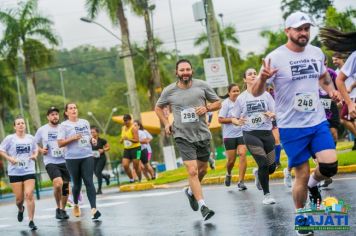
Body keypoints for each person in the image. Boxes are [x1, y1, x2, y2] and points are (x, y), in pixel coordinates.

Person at [252, 12, 341, 235]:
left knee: (330, 166)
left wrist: (332, 92)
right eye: (299, 29)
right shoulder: (275, 57)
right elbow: (255, 92)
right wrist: (262, 78)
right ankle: (301, 217)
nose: (303, 33)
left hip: (317, 120)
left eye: (306, 29)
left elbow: (323, 77)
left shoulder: (316, 52)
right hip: (291, 126)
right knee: (301, 173)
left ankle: (313, 184)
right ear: (287, 31)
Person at [155, 59, 221, 221]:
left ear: (192, 71)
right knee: (192, 170)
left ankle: (191, 191)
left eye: (188, 70)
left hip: (202, 134)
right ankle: (204, 206)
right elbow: (158, 107)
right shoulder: (169, 90)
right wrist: (166, 124)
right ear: (176, 73)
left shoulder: (202, 86)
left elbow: (218, 102)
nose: (185, 72)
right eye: (182, 70)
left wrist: (206, 108)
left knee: (203, 170)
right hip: (182, 135)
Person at [232, 69, 276, 204]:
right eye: (249, 74)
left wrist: (271, 114)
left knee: (271, 167)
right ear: (245, 80)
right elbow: (233, 117)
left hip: (267, 133)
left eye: (254, 73)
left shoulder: (266, 95)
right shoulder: (241, 98)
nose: (252, 75)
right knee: (263, 163)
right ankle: (267, 195)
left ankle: (258, 173)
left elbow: (275, 112)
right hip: (250, 134)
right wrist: (238, 121)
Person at [58, 103, 101, 221]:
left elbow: (88, 136)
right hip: (72, 158)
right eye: (70, 108)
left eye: (75, 108)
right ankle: (76, 204)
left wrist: (92, 140)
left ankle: (94, 209)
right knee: (77, 184)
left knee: (89, 181)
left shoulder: (85, 122)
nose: (73, 110)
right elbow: (60, 143)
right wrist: (72, 138)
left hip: (87, 155)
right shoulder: (63, 126)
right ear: (66, 112)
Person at [0, 116, 38, 230]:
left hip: (29, 169)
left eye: (22, 123)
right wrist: (9, 158)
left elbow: (36, 149)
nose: (21, 125)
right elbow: (1, 150)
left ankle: (31, 221)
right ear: (14, 126)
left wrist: (35, 155)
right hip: (15, 171)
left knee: (29, 194)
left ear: (25, 125)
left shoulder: (31, 138)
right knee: (19, 200)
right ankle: (21, 209)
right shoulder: (10, 138)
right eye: (18, 123)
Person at [34, 107, 70, 220]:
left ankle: (63, 209)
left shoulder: (64, 127)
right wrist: (40, 150)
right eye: (52, 114)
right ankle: (58, 207)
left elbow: (69, 140)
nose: (55, 116)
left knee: (66, 186)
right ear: (48, 117)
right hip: (50, 161)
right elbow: (33, 143)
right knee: (58, 183)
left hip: (64, 160)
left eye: (56, 114)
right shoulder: (42, 129)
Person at [218, 83, 248, 190]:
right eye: (234, 91)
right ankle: (229, 173)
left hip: (241, 133)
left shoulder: (242, 102)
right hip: (229, 136)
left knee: (243, 154)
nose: (236, 93)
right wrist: (232, 119)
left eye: (237, 91)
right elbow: (220, 119)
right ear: (229, 93)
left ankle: (241, 182)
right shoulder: (226, 104)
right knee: (231, 161)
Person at [120, 114, 142, 183]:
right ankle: (132, 179)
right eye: (124, 121)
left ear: (130, 120)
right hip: (127, 149)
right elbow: (122, 138)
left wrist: (129, 139)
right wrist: (121, 140)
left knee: (136, 166)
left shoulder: (133, 128)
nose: (125, 122)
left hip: (137, 149)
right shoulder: (123, 128)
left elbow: (137, 140)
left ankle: (140, 178)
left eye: (126, 121)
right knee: (125, 165)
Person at [90, 126, 110, 194]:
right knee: (96, 173)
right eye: (91, 132)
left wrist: (103, 150)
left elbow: (108, 147)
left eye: (93, 132)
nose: (92, 133)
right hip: (94, 159)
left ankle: (99, 189)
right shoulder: (90, 141)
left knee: (98, 172)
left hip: (101, 158)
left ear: (97, 133)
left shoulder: (102, 140)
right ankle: (106, 177)